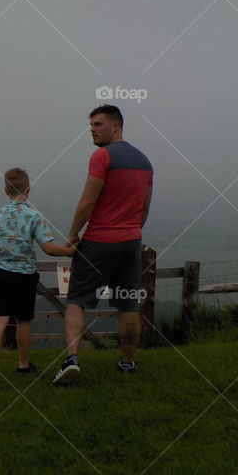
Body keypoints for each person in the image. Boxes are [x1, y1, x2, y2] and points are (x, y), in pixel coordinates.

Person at [53, 105, 153, 385]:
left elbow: (88, 201)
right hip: (131, 242)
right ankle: (127, 362)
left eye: (98, 124)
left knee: (76, 301)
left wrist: (73, 234)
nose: (92, 130)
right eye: (92, 126)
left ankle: (71, 359)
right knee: (128, 305)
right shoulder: (145, 162)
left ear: (116, 126)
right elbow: (145, 207)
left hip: (98, 240)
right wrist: (132, 232)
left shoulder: (102, 155)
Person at [0, 167, 73, 387]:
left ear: (5, 190)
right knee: (23, 321)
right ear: (28, 189)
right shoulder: (34, 216)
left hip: (1, 273)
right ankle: (23, 364)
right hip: (25, 276)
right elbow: (48, 248)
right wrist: (71, 252)